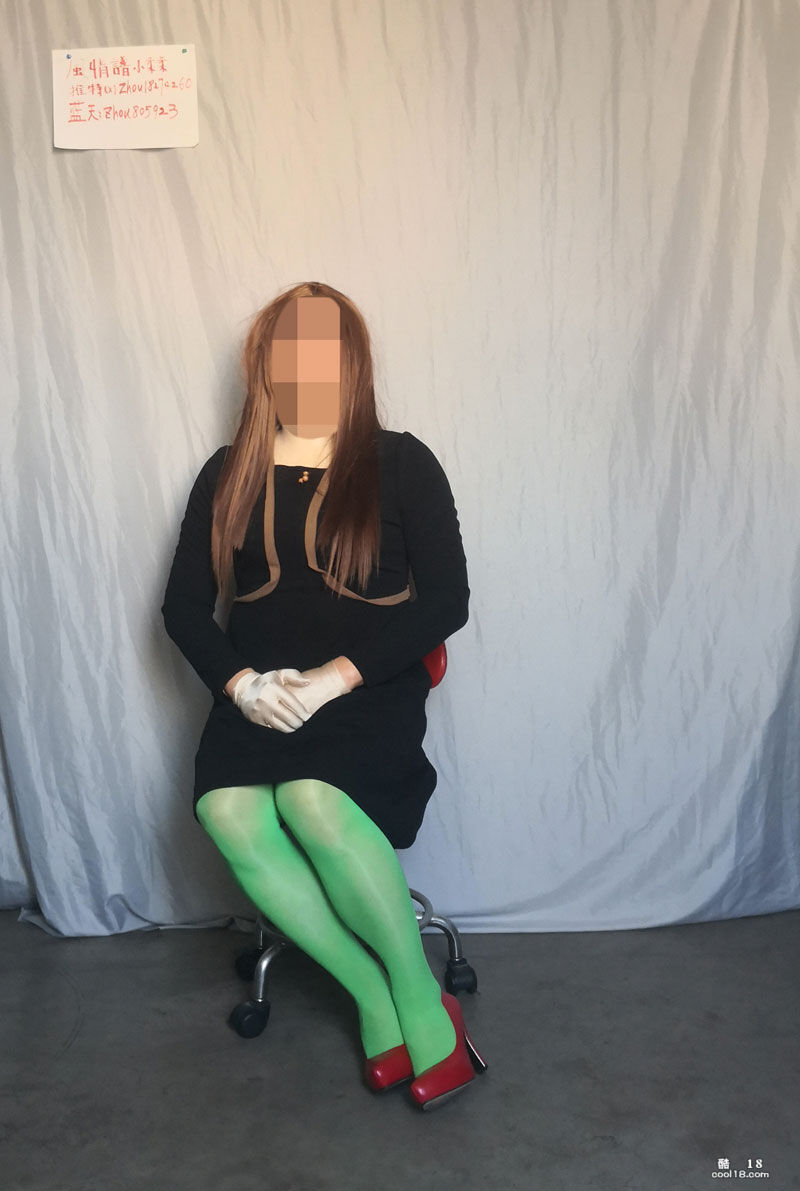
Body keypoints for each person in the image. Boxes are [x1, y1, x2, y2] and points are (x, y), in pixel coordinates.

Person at [162, 281, 486, 1109]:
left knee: (311, 796)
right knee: (227, 810)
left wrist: (337, 676)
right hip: (263, 694)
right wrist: (242, 685)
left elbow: (448, 600)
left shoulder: (403, 462)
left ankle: (422, 1000)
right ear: (265, 363)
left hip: (364, 689)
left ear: (352, 361)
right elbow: (182, 608)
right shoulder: (227, 472)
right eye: (289, 347)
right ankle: (372, 992)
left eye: (324, 347)